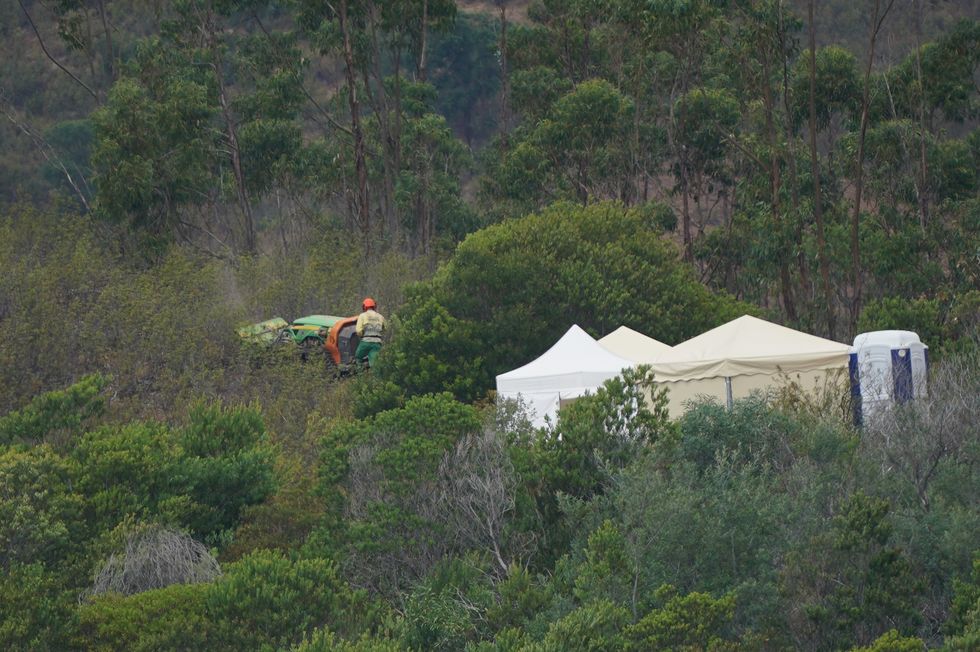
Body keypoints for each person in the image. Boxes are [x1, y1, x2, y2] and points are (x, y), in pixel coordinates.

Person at [355, 297, 385, 368]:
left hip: (366, 342)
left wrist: (362, 335)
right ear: (374, 307)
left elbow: (358, 330)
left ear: (364, 307)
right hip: (377, 343)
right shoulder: (380, 317)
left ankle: (359, 374)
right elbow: (385, 328)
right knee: (375, 364)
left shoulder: (362, 316)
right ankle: (375, 377)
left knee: (358, 357)